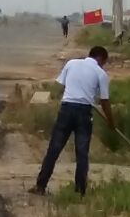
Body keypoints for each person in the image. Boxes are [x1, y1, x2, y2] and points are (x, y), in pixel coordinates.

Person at [29, 46, 115, 196]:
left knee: (54, 149)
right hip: (84, 113)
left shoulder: (71, 63)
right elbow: (104, 101)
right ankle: (79, 191)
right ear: (101, 58)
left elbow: (63, 85)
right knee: (82, 153)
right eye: (104, 62)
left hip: (66, 109)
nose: (103, 65)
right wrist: (111, 121)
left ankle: (40, 186)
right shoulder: (101, 74)